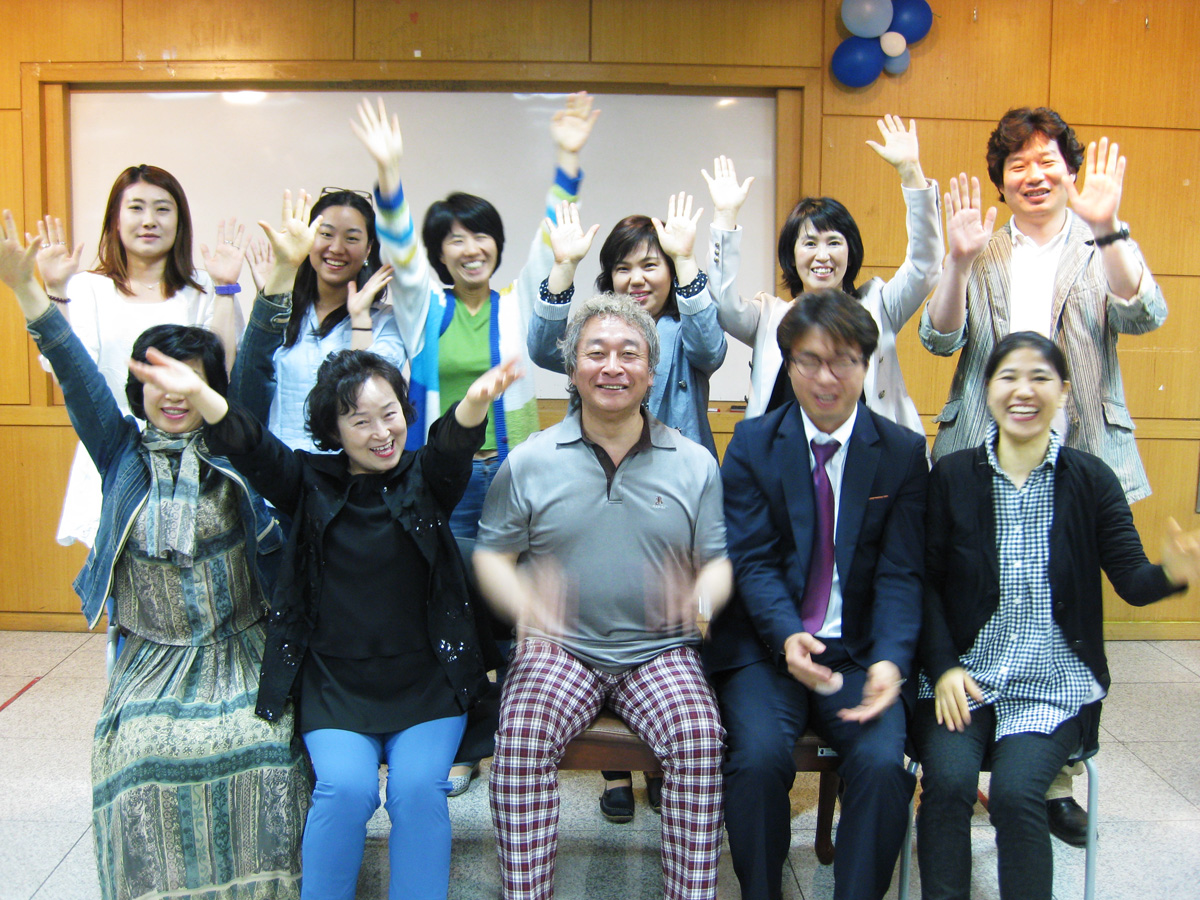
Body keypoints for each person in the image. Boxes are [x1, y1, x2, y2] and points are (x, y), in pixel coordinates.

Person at [131, 213, 517, 900]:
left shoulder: (424, 479)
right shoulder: (309, 483)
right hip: (336, 685)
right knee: (343, 790)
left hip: (428, 681)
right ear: (333, 430)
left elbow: (452, 448)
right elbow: (253, 445)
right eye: (360, 420)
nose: (381, 431)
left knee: (418, 792)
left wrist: (473, 404)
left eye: (390, 413)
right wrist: (206, 399)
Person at [0, 210, 309, 900]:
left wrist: (284, 272)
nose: (172, 395)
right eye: (156, 380)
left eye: (188, 381)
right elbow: (75, 373)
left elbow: (256, 363)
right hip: (152, 656)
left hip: (239, 649)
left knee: (264, 749)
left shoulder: (234, 443)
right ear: (138, 388)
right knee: (138, 755)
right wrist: (27, 291)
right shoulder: (121, 452)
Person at [919, 106, 1168, 843]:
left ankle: (1049, 774)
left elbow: (1144, 315)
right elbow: (939, 338)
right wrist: (957, 261)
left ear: (1071, 171)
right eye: (1017, 164)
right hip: (982, 454)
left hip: (1078, 457)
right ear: (1000, 180)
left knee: (1065, 611)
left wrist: (1109, 228)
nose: (1033, 175)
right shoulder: (979, 244)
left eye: (1047, 161)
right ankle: (956, 752)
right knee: (974, 601)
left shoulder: (1102, 240)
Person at [355, 91, 599, 793]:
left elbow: (555, 235)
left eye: (481, 235)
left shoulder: (518, 302)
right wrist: (389, 174)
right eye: (455, 239)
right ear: (439, 252)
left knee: (521, 606)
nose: (471, 248)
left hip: (516, 475)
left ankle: (521, 736)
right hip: (446, 479)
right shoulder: (422, 306)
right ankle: (462, 741)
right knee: (450, 607)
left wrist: (568, 157)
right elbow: (399, 246)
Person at [914, 331, 1200, 900]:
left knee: (1018, 794)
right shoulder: (951, 475)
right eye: (1008, 377)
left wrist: (1173, 572)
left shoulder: (1091, 479)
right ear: (987, 389)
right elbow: (924, 584)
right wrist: (943, 666)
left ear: (1064, 391)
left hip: (1050, 686)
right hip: (962, 679)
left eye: (1040, 378)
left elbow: (1132, 580)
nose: (1024, 391)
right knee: (947, 784)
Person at [474, 295, 731, 900]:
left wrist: (700, 603)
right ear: (572, 368)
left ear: (651, 370)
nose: (612, 366)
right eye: (596, 352)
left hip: (659, 650)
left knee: (700, 740)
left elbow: (716, 562)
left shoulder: (695, 463)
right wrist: (523, 604)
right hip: (559, 649)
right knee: (520, 741)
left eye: (629, 353)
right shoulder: (529, 460)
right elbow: (491, 555)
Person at [708, 289, 928, 900]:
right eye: (809, 360)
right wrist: (786, 635)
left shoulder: (902, 453)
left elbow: (902, 573)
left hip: (858, 652)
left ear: (867, 364)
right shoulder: (753, 443)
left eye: (843, 361)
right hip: (765, 647)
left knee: (883, 766)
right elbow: (751, 559)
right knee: (756, 761)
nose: (826, 378)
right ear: (787, 363)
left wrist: (891, 661)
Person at [528, 195, 727, 821]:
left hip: (673, 509)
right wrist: (562, 268)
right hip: (599, 497)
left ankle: (670, 759)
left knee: (670, 632)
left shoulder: (681, 330)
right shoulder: (595, 331)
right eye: (623, 267)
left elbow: (713, 347)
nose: (637, 279)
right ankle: (615, 772)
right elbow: (541, 346)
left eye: (650, 265)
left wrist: (689, 260)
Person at [37, 165, 247, 548]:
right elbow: (67, 372)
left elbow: (222, 369)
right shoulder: (86, 288)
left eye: (163, 209)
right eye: (136, 208)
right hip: (114, 448)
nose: (149, 220)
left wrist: (225, 288)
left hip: (191, 453)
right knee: (120, 571)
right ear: (115, 220)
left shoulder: (204, 286)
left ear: (180, 221)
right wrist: (55, 290)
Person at [706, 115, 941, 432]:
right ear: (791, 255)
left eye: (834, 242)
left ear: (850, 251)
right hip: (783, 456)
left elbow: (924, 265)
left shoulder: (880, 306)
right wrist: (724, 217)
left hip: (869, 454)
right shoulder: (769, 318)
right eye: (809, 243)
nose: (822, 255)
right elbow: (723, 304)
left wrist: (911, 173)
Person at [234, 187, 406, 451]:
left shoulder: (385, 321)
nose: (336, 248)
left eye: (351, 238)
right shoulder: (281, 313)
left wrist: (360, 320)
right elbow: (246, 387)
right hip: (280, 466)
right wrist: (281, 277)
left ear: (368, 248)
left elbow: (367, 399)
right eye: (325, 234)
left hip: (347, 470)